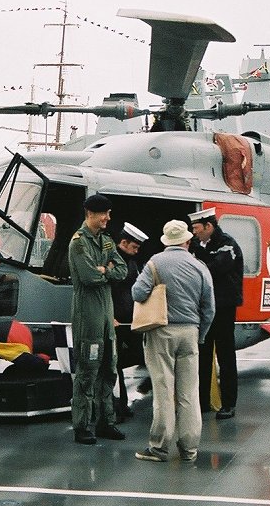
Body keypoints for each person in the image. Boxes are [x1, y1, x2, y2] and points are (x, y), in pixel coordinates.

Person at [131, 220, 215, 463]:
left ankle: (159, 448)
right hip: (190, 332)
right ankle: (189, 449)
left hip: (161, 332)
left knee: (164, 391)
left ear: (166, 241)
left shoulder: (155, 262)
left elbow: (137, 293)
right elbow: (209, 308)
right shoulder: (199, 267)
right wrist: (200, 334)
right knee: (189, 393)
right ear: (187, 241)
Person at [67, 194, 128, 445]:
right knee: (88, 371)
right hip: (88, 316)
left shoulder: (105, 241)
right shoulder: (79, 244)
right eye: (104, 214)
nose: (108, 219)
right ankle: (82, 425)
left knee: (109, 369)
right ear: (90, 214)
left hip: (106, 316)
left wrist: (106, 269)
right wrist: (106, 270)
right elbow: (90, 277)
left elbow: (123, 270)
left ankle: (106, 422)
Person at [188, 207, 243, 420]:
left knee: (225, 355)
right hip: (204, 307)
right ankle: (202, 401)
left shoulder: (227, 244)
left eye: (197, 228)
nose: (194, 233)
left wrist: (197, 258)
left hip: (223, 307)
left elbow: (216, 267)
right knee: (202, 355)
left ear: (209, 226)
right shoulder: (201, 245)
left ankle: (229, 403)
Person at [110, 221, 148, 421]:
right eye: (134, 246)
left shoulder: (131, 262)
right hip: (116, 321)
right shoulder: (112, 261)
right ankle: (119, 405)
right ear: (123, 242)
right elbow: (105, 291)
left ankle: (121, 404)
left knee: (133, 357)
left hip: (129, 321)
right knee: (114, 365)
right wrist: (110, 316)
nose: (136, 251)